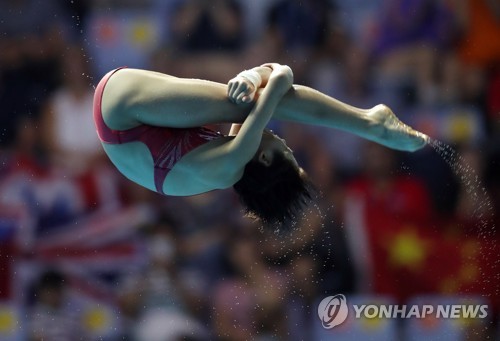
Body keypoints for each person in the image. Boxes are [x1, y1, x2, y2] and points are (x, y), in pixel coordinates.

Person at [93, 63, 429, 226]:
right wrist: (251, 78)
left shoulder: (231, 161)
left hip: (121, 112)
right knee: (248, 99)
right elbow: (268, 91)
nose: (284, 141)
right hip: (126, 125)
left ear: (267, 159)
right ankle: (369, 123)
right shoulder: (231, 167)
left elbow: (281, 77)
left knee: (243, 101)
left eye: (288, 153)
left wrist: (253, 77)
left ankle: (370, 123)